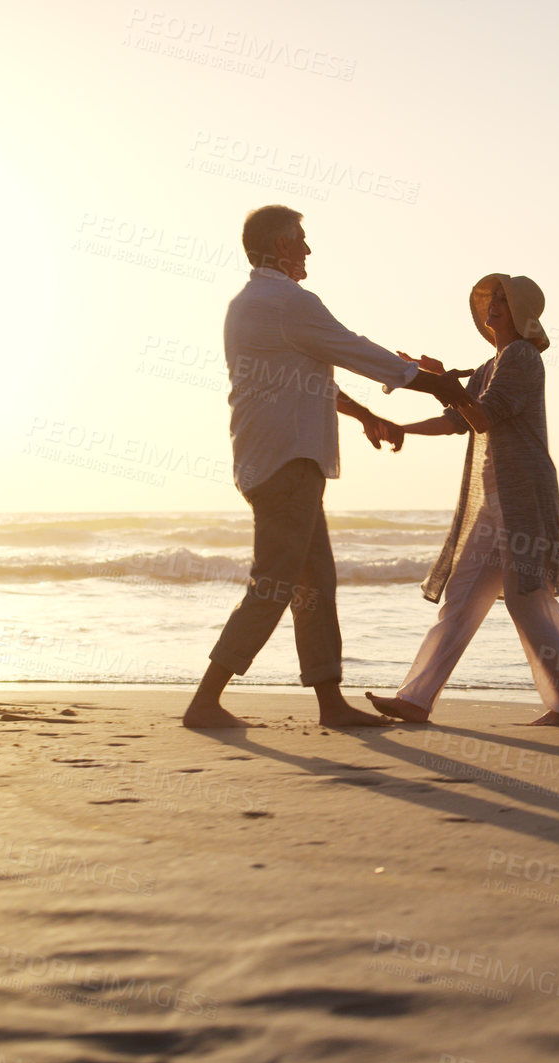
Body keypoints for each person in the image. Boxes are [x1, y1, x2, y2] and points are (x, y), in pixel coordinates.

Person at [183, 205, 480, 729]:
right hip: (288, 460)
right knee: (275, 582)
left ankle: (329, 704)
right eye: (300, 239)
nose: (308, 249)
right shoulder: (288, 303)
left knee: (314, 581)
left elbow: (308, 375)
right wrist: (441, 385)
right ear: (279, 245)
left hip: (272, 458)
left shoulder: (248, 304)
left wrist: (366, 414)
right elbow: (354, 350)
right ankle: (205, 701)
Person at [365, 274, 559, 727]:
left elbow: (483, 416)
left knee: (524, 596)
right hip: (494, 498)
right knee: (463, 595)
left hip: (523, 494)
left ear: (523, 311)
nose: (494, 306)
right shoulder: (491, 365)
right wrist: (403, 427)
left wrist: (441, 381)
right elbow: (457, 419)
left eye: (504, 301)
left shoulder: (522, 357)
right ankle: (415, 700)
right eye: (491, 300)